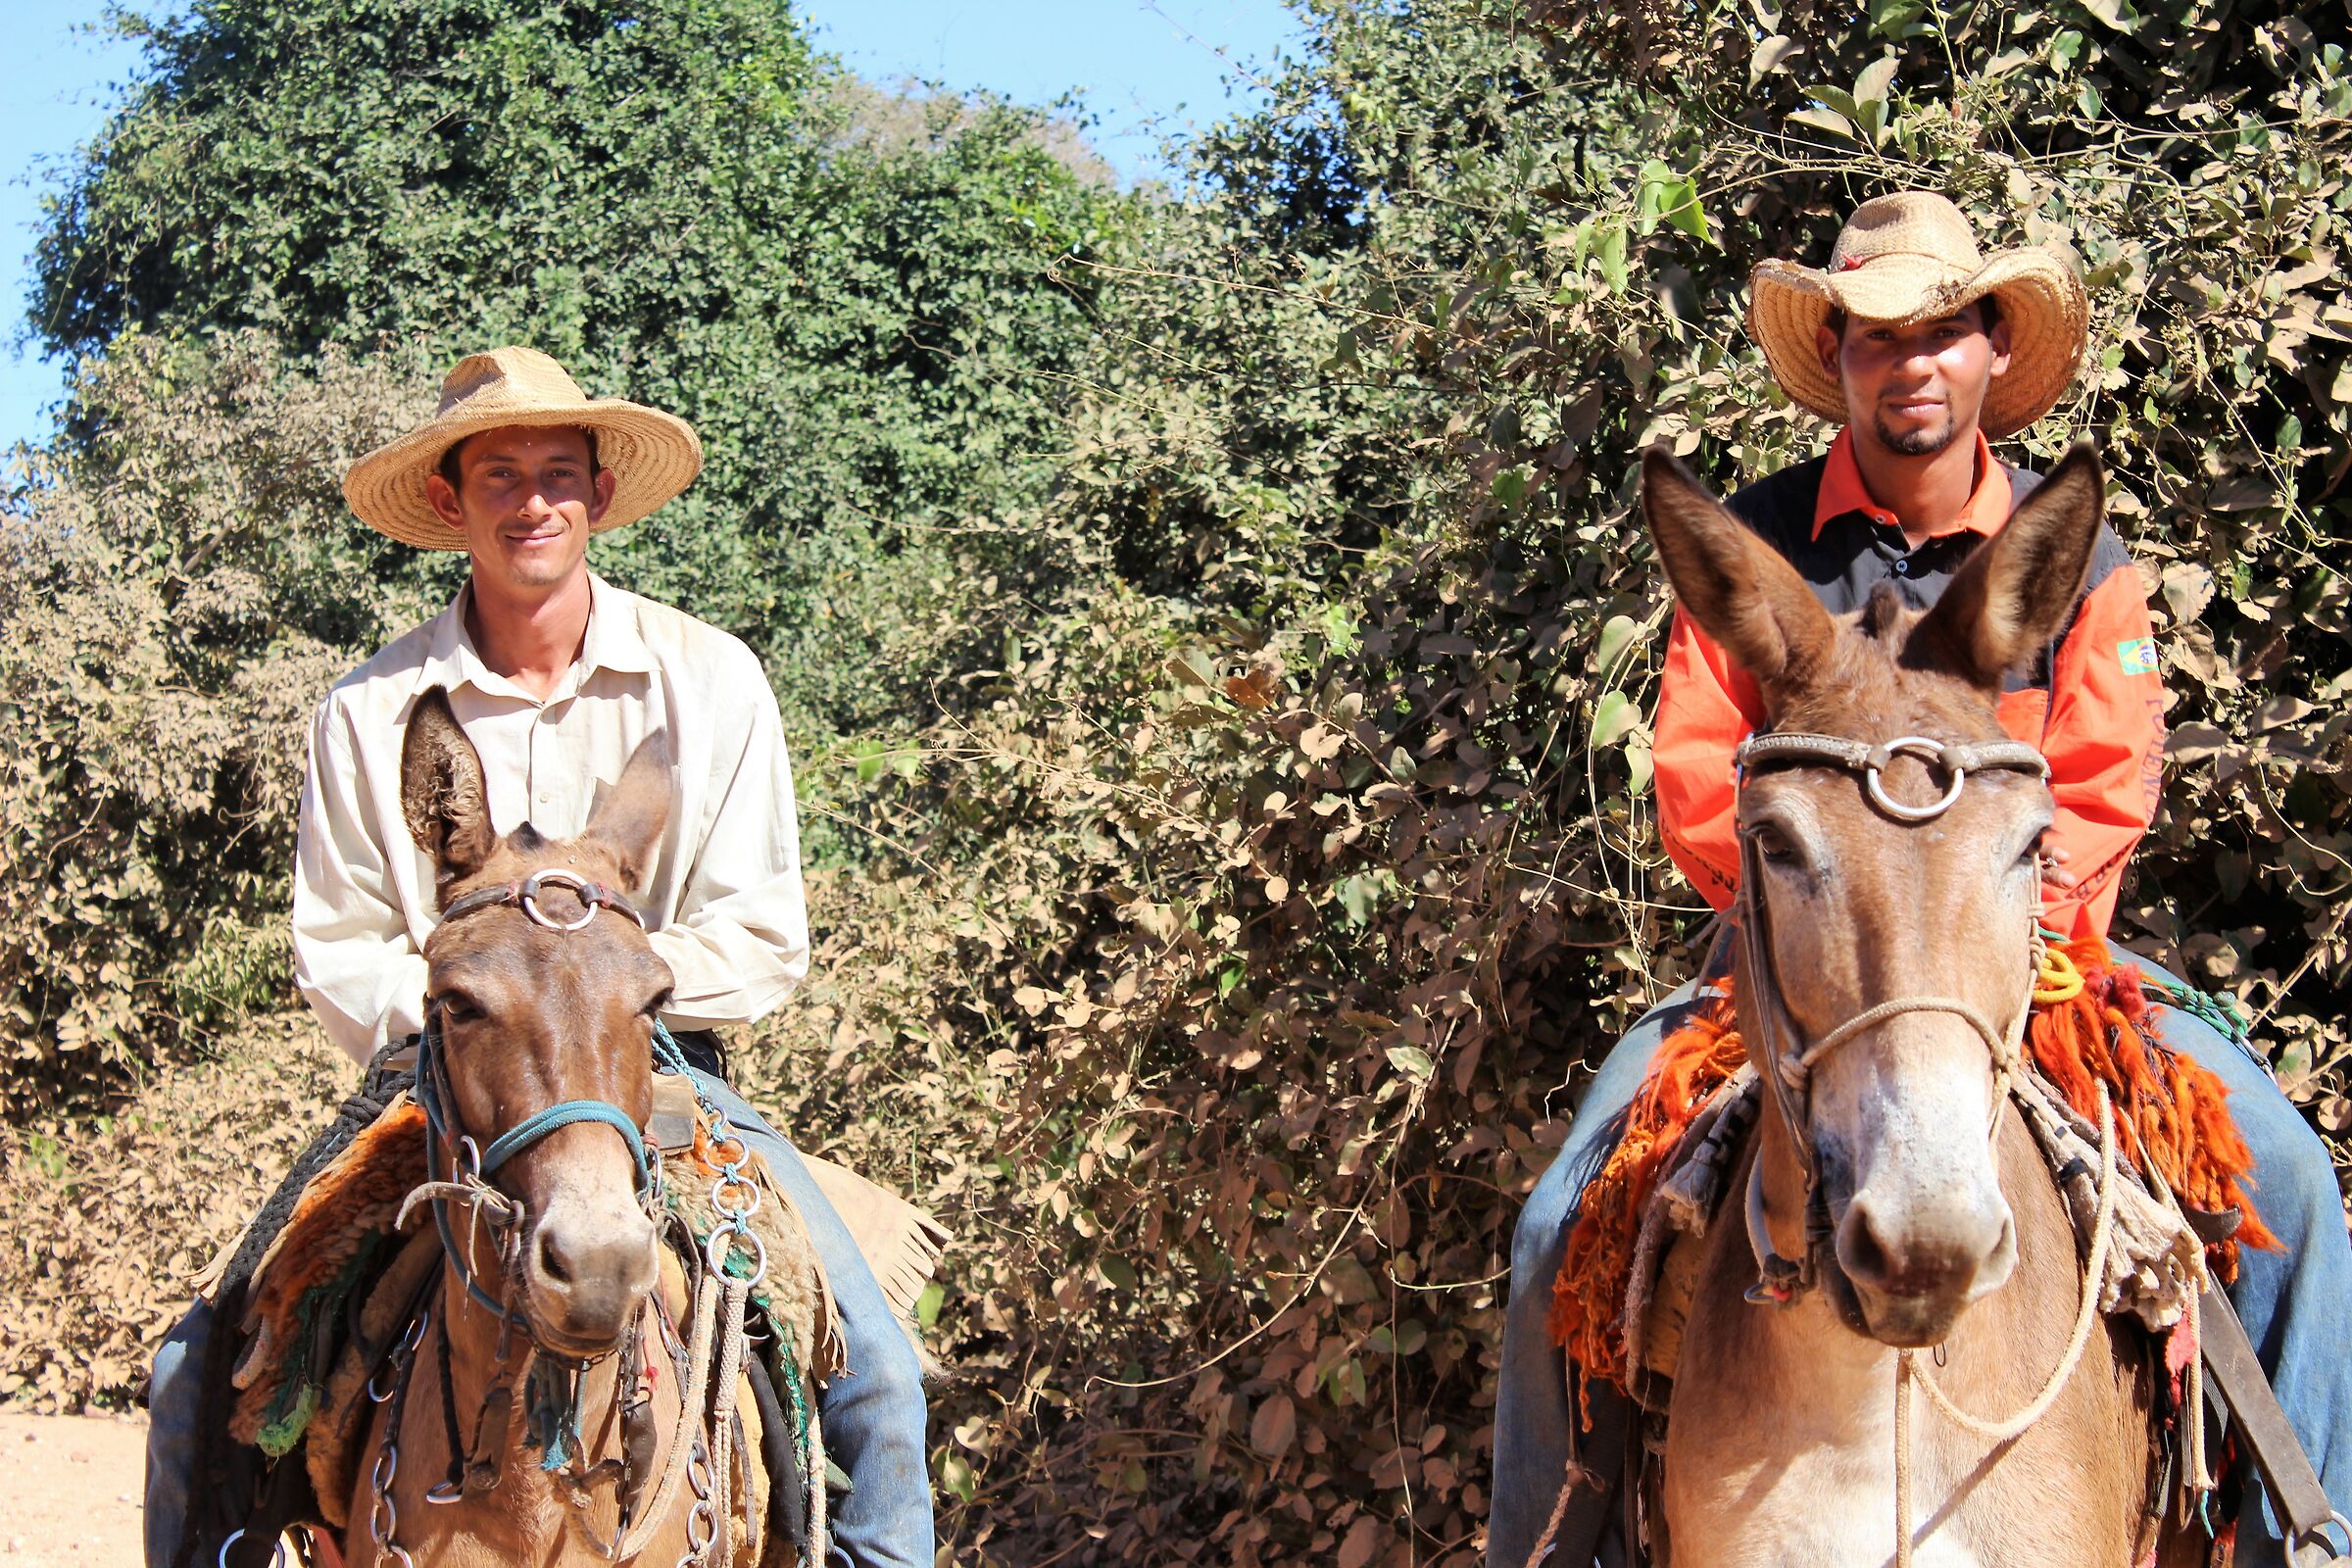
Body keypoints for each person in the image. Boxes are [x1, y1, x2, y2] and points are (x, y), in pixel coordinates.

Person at [1487, 193, 2352, 1566]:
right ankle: (1547, 1547)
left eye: (1942, 331)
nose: (1912, 363)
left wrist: (1993, 946)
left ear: (1994, 347)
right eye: (1878, 337)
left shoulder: (2077, 564)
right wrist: (1811, 929)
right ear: (1837, 358)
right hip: (1789, 965)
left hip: (2036, 960)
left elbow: (2105, 782)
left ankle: (2307, 1536)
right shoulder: (1762, 547)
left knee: (2293, 1185)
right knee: (1555, 1225)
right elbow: (1700, 776)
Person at [143, 347, 935, 1568]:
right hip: (437, 1075)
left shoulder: (709, 679)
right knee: (191, 1370)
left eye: (559, 473)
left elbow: (764, 929)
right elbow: (339, 939)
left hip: (664, 1069)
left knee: (878, 1375)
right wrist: (474, 1006)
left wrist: (594, 988)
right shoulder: (369, 707)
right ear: (451, 500)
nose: (533, 502)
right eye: (499, 475)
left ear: (600, 494)